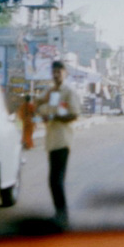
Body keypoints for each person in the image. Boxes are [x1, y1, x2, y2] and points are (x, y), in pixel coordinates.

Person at [36, 60, 80, 227]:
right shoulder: (50, 90)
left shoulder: (68, 92)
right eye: (54, 72)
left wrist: (54, 117)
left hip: (63, 140)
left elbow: (74, 114)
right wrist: (43, 106)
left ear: (65, 73)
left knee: (56, 180)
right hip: (52, 140)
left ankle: (63, 216)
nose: (56, 75)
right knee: (53, 180)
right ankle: (60, 214)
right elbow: (37, 103)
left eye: (59, 72)